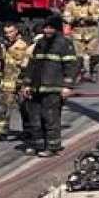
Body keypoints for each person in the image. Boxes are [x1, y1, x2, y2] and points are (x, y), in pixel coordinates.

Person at [17, 17, 79, 156]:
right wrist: (27, 84)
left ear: (57, 29)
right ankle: (38, 145)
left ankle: (52, 147)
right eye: (46, 27)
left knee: (50, 118)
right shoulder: (40, 43)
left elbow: (71, 66)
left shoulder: (65, 44)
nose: (47, 30)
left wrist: (68, 86)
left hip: (54, 89)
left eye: (51, 28)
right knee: (35, 119)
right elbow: (31, 66)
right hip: (36, 88)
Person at [0, 21, 31, 142]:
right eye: (6, 32)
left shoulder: (21, 46)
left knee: (24, 108)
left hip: (19, 82)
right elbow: (4, 62)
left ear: (17, 31)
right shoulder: (6, 45)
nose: (8, 35)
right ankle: (1, 131)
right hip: (7, 82)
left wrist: (24, 82)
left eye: (11, 32)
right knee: (3, 108)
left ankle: (28, 131)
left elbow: (26, 65)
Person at [62, 0, 99, 82]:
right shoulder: (71, 5)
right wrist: (74, 19)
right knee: (78, 56)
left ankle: (93, 71)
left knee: (95, 55)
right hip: (77, 33)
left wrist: (90, 18)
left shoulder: (95, 3)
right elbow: (66, 16)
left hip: (92, 33)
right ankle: (79, 71)